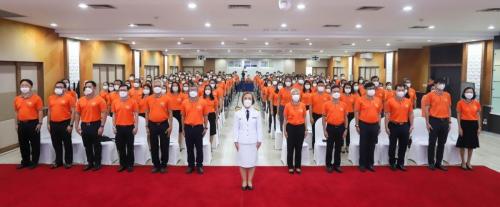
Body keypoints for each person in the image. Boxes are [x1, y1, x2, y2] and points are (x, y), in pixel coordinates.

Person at [75, 81, 107, 171]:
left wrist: (102, 126)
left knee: (96, 145)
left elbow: (104, 113)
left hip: (95, 124)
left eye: (90, 86)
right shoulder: (80, 100)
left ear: (94, 88)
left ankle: (97, 163)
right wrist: (76, 125)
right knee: (87, 145)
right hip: (84, 125)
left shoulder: (100, 100)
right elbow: (77, 114)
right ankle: (90, 162)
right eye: (86, 87)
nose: (87, 88)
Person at [233, 92, 263, 191]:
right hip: (241, 141)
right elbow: (235, 128)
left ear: (252, 100)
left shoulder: (256, 112)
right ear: (242, 100)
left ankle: (249, 181)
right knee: (242, 162)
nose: (247, 100)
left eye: (249, 98)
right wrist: (235, 141)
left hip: (253, 141)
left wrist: (259, 140)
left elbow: (259, 128)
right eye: (245, 98)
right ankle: (244, 181)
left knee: (252, 161)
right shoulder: (237, 113)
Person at [13, 79, 43, 169]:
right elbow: (16, 112)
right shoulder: (17, 99)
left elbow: (40, 111)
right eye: (22, 85)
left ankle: (34, 162)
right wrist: (16, 124)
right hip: (21, 124)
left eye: (26, 85)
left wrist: (40, 123)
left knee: (35, 144)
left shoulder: (36, 98)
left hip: (33, 123)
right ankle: (25, 161)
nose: (24, 87)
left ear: (31, 87)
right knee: (23, 144)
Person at [423, 79, 451, 171]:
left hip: (445, 121)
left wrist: (449, 121)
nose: (441, 85)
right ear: (436, 85)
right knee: (432, 143)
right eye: (440, 83)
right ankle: (431, 162)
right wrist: (427, 122)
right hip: (434, 120)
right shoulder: (430, 95)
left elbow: (449, 108)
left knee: (442, 143)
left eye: (443, 84)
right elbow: (426, 109)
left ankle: (439, 163)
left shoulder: (447, 95)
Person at [384, 84, 414, 171]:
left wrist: (412, 125)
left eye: (402, 90)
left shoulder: (408, 101)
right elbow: (387, 115)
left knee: (403, 146)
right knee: (392, 145)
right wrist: (386, 127)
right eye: (399, 90)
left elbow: (411, 114)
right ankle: (392, 162)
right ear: (395, 91)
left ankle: (400, 163)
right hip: (393, 126)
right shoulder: (389, 101)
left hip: (405, 125)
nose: (401, 92)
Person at [145, 80, 172, 173]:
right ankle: (156, 164)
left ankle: (164, 164)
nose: (157, 87)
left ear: (161, 87)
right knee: (154, 145)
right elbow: (147, 113)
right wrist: (146, 126)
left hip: (164, 124)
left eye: (158, 86)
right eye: (155, 85)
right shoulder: (148, 99)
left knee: (164, 145)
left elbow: (170, 113)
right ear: (152, 87)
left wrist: (170, 126)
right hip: (152, 124)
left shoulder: (167, 98)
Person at [182, 82, 209, 174]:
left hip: (198, 128)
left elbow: (205, 116)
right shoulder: (185, 102)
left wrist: (205, 128)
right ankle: (190, 165)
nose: (192, 91)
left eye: (194, 90)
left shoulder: (203, 102)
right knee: (189, 148)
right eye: (191, 90)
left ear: (197, 91)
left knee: (199, 148)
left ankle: (199, 165)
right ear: (188, 91)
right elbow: (183, 117)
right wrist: (183, 129)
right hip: (188, 127)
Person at [354, 82, 383, 172]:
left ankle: (370, 164)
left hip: (374, 125)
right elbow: (356, 113)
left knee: (372, 145)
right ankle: (362, 164)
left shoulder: (378, 100)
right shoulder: (360, 100)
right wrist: (357, 125)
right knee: (363, 145)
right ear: (365, 90)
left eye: (373, 88)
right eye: (369, 89)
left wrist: (379, 126)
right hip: (364, 124)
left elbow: (379, 114)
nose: (371, 90)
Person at [47, 81, 75, 169]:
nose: (58, 88)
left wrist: (70, 125)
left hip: (65, 123)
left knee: (67, 143)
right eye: (57, 87)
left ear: (64, 88)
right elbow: (49, 111)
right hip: (53, 123)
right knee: (56, 143)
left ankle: (68, 161)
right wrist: (48, 123)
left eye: (60, 87)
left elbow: (73, 111)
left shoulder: (69, 97)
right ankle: (58, 161)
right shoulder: (51, 97)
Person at [112, 84, 139, 172]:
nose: (122, 92)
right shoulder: (115, 102)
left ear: (128, 91)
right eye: (121, 90)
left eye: (124, 90)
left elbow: (136, 114)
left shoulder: (133, 101)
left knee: (130, 147)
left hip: (130, 127)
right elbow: (114, 115)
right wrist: (113, 126)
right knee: (120, 147)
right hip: (119, 127)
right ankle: (122, 164)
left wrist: (136, 126)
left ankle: (130, 164)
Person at [322, 85, 348, 173]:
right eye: (334, 91)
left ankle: (337, 165)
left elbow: (346, 118)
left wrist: (346, 129)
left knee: (338, 148)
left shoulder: (344, 104)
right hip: (330, 128)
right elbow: (323, 118)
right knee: (329, 147)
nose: (336, 93)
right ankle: (328, 165)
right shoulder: (326, 104)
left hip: (340, 128)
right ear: (331, 92)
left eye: (338, 91)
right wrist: (324, 130)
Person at [456, 87, 481, 170]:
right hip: (464, 124)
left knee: (471, 145)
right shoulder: (460, 103)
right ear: (464, 93)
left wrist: (479, 127)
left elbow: (478, 115)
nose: (469, 93)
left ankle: (468, 162)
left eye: (471, 92)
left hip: (473, 125)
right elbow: (458, 115)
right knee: (462, 144)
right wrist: (459, 127)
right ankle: (462, 161)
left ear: (473, 93)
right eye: (467, 92)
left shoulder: (476, 103)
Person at [283, 88, 307, 174]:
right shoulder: (287, 105)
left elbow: (304, 118)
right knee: (290, 147)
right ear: (291, 95)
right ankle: (290, 166)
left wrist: (306, 129)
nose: (296, 95)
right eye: (294, 93)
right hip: (290, 127)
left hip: (300, 127)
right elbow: (285, 119)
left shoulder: (303, 105)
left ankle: (297, 166)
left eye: (297, 93)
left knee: (298, 148)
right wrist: (284, 130)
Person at [310, 81, 331, 149]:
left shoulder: (327, 96)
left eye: (322, 85)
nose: (321, 87)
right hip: (315, 115)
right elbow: (310, 107)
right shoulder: (312, 95)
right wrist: (311, 117)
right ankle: (314, 146)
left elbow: (329, 107)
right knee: (315, 131)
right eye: (319, 85)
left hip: (325, 116)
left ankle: (326, 145)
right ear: (317, 86)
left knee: (325, 130)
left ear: (324, 87)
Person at [167, 82, 186, 148]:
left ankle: (179, 144)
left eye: (176, 85)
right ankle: (169, 141)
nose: (175, 87)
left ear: (178, 86)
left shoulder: (182, 95)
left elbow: (184, 105)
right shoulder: (168, 94)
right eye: (173, 85)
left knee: (179, 129)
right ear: (171, 87)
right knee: (170, 127)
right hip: (170, 112)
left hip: (179, 113)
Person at [340, 83, 357, 153]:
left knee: (348, 131)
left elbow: (355, 107)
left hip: (351, 114)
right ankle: (341, 146)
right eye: (346, 87)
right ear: (344, 88)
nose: (347, 89)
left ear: (351, 88)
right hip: (342, 113)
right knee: (341, 130)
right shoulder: (341, 96)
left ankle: (347, 145)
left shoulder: (354, 96)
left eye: (349, 87)